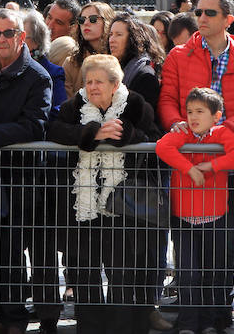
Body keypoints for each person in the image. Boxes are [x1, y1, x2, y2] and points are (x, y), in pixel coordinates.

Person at [46, 54, 162, 333]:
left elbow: (153, 141)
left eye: (99, 81)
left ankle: (121, 328)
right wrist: (92, 133)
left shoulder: (135, 105)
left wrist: (123, 135)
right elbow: (54, 130)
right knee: (85, 273)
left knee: (122, 273)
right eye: (88, 82)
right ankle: (91, 328)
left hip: (123, 206)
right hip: (82, 205)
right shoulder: (74, 106)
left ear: (115, 83)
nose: (93, 87)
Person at [0, 10, 52, 333]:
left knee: (12, 252)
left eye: (8, 33)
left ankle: (15, 318)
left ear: (22, 37)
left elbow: (33, 126)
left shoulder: (38, 76)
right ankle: (1, 314)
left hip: (21, 177)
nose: (1, 39)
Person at [156, 87, 234, 334]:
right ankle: (188, 324)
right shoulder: (183, 132)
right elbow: (162, 147)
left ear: (216, 116)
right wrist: (189, 169)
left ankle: (209, 323)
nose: (193, 117)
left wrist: (211, 165)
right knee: (187, 275)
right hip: (183, 218)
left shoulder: (220, 134)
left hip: (214, 216)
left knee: (212, 274)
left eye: (200, 111)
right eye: (189, 111)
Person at [159, 0, 234, 134]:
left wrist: (221, 132)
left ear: (228, 20)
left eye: (210, 13)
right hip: (187, 146)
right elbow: (167, 99)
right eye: (199, 12)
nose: (202, 18)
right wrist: (175, 122)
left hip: (227, 147)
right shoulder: (177, 56)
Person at [106, 12, 163, 104]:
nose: (111, 40)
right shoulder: (112, 69)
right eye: (110, 34)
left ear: (132, 38)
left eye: (118, 34)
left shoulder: (145, 75)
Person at [62, 1, 116, 97]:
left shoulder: (118, 58)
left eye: (93, 19)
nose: (86, 23)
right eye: (82, 20)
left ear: (107, 22)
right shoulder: (71, 63)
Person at [23, 9, 67, 112]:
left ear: (37, 41)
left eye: (23, 37)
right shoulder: (4, 67)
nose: (16, 41)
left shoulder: (53, 73)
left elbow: (58, 109)